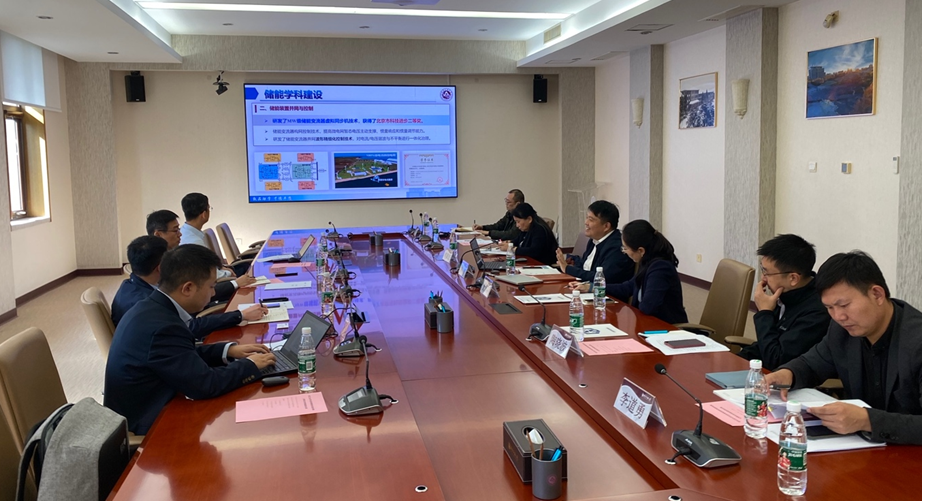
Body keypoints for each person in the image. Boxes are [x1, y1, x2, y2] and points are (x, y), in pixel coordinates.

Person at [104, 244, 277, 435]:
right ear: (187, 288)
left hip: (151, 403)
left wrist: (228, 350)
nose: (213, 293)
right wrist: (250, 365)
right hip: (149, 425)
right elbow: (206, 385)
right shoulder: (163, 327)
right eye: (211, 286)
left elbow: (180, 354)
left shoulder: (151, 307)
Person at [765, 251, 922, 445]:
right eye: (830, 308)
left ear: (877, 294)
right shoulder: (842, 331)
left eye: (844, 305)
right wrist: (788, 374)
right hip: (863, 449)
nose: (839, 316)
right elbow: (812, 363)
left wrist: (868, 420)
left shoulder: (916, 342)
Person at [111, 236, 267, 337]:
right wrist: (239, 315)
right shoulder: (143, 304)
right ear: (160, 267)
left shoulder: (138, 285)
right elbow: (188, 328)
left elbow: (198, 291)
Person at [737, 234, 830, 368]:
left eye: (767, 273)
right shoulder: (786, 295)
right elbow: (763, 346)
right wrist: (734, 360)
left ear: (793, 278)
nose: (763, 278)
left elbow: (776, 360)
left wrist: (764, 313)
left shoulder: (817, 311)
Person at [570, 220, 687, 324]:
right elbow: (627, 288)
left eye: (625, 248)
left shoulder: (660, 268)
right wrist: (592, 287)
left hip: (666, 329)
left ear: (641, 250)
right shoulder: (647, 262)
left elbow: (648, 307)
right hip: (647, 324)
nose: (624, 252)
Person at [146, 209, 253, 302]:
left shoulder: (174, 254)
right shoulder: (165, 263)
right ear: (158, 234)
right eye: (175, 230)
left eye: (179, 229)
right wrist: (235, 283)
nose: (180, 234)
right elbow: (197, 293)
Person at [555, 200, 635, 284]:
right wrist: (566, 264)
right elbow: (584, 266)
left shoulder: (617, 247)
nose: (586, 222)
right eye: (587, 218)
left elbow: (601, 278)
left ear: (606, 226)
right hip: (584, 286)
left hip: (603, 291)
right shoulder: (594, 240)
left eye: (591, 219)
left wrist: (568, 269)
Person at [179, 193, 246, 277]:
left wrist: (221, 267)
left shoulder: (185, 232)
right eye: (209, 208)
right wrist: (228, 273)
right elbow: (211, 275)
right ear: (204, 214)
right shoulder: (194, 241)